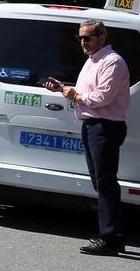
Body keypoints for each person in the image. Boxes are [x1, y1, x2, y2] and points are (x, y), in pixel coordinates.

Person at [42, 19, 131, 256]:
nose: (83, 42)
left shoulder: (113, 62)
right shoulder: (92, 62)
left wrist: (74, 95)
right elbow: (85, 93)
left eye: (88, 38)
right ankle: (113, 236)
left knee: (105, 183)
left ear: (102, 38)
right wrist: (63, 89)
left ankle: (110, 238)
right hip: (92, 125)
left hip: (106, 127)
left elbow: (102, 97)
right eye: (80, 38)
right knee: (100, 182)